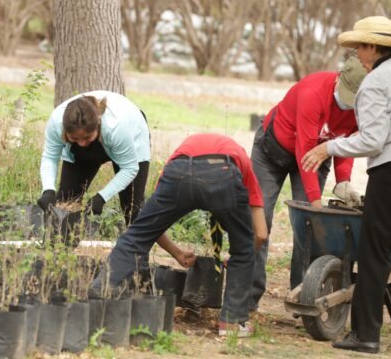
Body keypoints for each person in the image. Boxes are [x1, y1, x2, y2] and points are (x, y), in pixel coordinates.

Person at [302, 16, 391, 354]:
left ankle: (366, 334)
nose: (355, 54)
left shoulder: (374, 82)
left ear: (372, 46)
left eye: (358, 47)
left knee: (375, 249)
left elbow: (373, 141)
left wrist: (329, 146)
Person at [91, 133, 268, 337]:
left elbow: (152, 228)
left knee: (136, 237)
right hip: (224, 172)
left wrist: (177, 253)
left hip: (179, 170)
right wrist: (240, 256)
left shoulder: (175, 157)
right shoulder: (243, 161)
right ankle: (232, 323)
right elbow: (261, 234)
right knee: (244, 247)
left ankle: (99, 290)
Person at [249, 56, 367, 309]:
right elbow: (305, 148)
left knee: (309, 228)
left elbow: (345, 143)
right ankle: (248, 296)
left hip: (318, 155)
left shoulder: (363, 108)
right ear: (338, 79)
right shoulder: (313, 92)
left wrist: (343, 181)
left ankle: (303, 295)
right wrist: (315, 201)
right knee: (261, 219)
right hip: (273, 151)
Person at [37, 91, 151, 227]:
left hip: (133, 132)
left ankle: (136, 246)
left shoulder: (116, 127)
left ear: (97, 125)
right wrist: (48, 189)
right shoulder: (56, 122)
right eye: (74, 138)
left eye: (87, 137)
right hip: (96, 141)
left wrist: (102, 197)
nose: (81, 143)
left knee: (132, 210)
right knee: (66, 202)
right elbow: (50, 157)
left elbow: (130, 168)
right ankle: (59, 246)